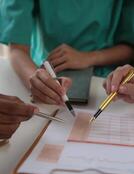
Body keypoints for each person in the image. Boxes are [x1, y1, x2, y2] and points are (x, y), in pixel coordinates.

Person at [0, 1, 134, 105]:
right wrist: (36, 81)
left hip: (105, 79)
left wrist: (88, 58)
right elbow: (17, 48)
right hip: (44, 71)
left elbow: (129, 46)